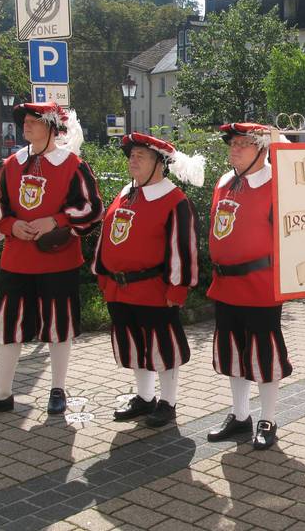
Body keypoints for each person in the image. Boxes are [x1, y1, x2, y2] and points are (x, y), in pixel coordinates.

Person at [0, 102, 103, 419]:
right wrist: (10, 225)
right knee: (7, 327)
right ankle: (2, 394)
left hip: (59, 263)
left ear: (52, 127)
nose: (26, 126)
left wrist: (56, 220)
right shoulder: (10, 164)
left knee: (59, 327)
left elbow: (92, 207)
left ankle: (57, 390)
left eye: (33, 121)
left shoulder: (73, 165)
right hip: (16, 261)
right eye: (25, 121)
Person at [92, 133, 203, 427]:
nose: (133, 160)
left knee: (163, 347)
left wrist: (178, 288)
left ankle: (168, 403)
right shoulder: (125, 193)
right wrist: (102, 273)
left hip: (154, 289)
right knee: (134, 344)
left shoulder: (175, 200)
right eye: (131, 155)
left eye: (141, 155)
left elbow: (184, 247)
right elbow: (107, 236)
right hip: (119, 289)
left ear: (160, 163)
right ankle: (144, 398)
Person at [206, 123, 292, 451]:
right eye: (233, 144)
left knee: (264, 354)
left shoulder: (277, 184)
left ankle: (268, 419)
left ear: (262, 148)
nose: (235, 149)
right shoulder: (224, 182)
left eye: (243, 143)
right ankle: (240, 415)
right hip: (225, 285)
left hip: (261, 286)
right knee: (233, 352)